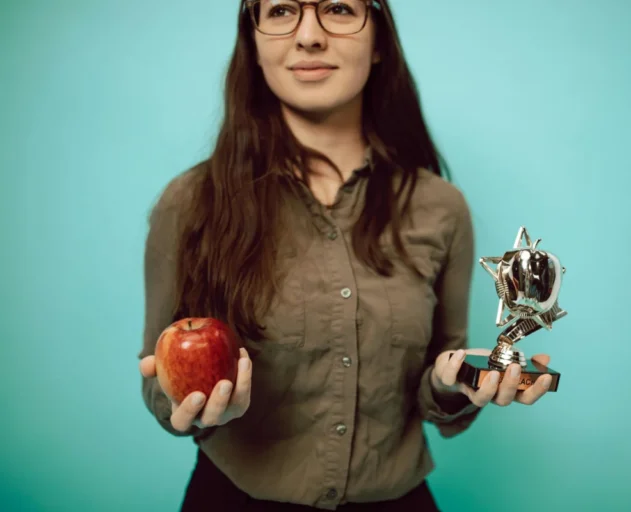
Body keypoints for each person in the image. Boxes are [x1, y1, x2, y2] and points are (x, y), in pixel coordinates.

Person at [137, 0, 553, 510]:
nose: (309, 36)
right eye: (281, 11)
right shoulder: (189, 203)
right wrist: (191, 406)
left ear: (378, 42)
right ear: (254, 42)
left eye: (337, 8)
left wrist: (458, 383)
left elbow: (438, 384)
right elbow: (158, 379)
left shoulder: (441, 208)